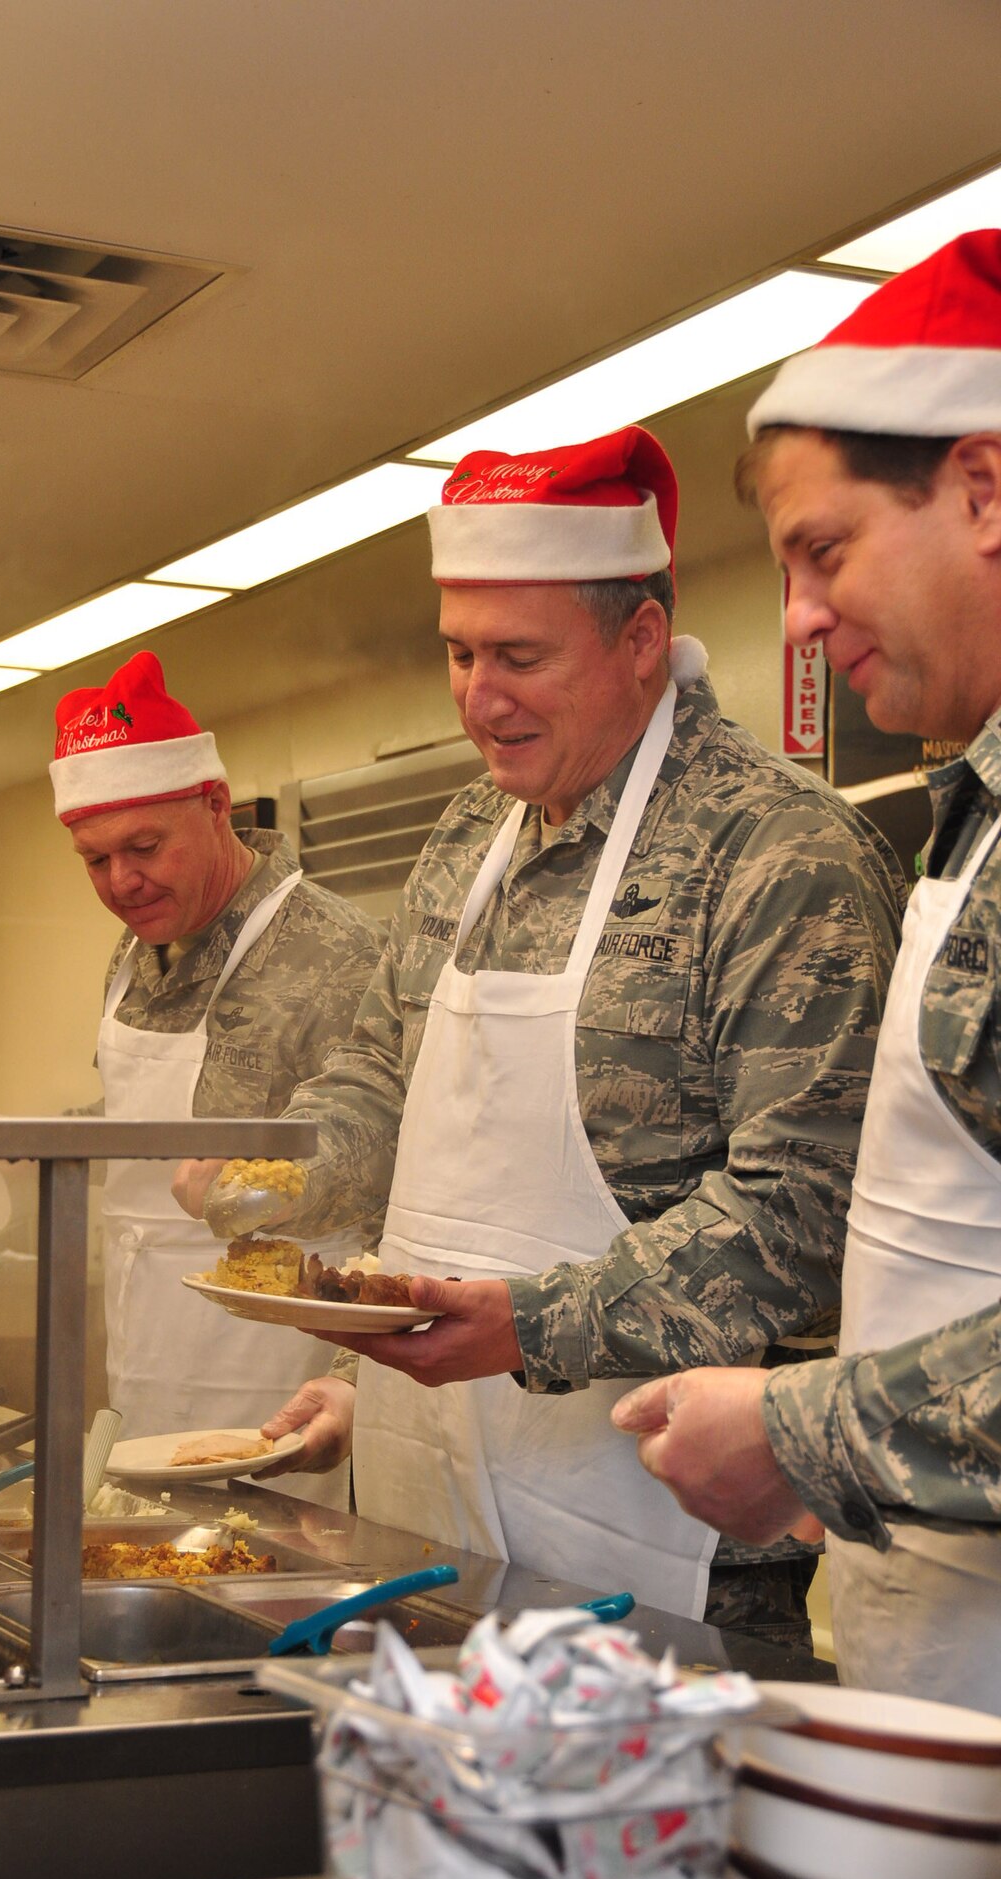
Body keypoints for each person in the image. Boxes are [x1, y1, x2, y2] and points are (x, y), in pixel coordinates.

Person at [180, 425, 903, 1638]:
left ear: (638, 641)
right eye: (458, 652)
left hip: (667, 1548)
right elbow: (380, 1073)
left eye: (517, 655)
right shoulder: (468, 835)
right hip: (430, 1503)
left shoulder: (776, 851)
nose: (476, 694)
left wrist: (533, 1322)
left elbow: (802, 1211)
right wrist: (276, 1176)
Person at [612, 230, 1001, 1708]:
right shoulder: (969, 813)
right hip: (938, 1648)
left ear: (981, 489)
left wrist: (804, 1431)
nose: (794, 619)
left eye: (823, 551)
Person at [50, 650, 383, 1505]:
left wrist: (356, 1380)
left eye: (144, 846)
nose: (121, 881)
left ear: (215, 803)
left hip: (284, 1393)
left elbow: (402, 1190)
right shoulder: (131, 957)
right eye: (94, 860)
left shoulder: (335, 952)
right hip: (146, 1362)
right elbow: (146, 1127)